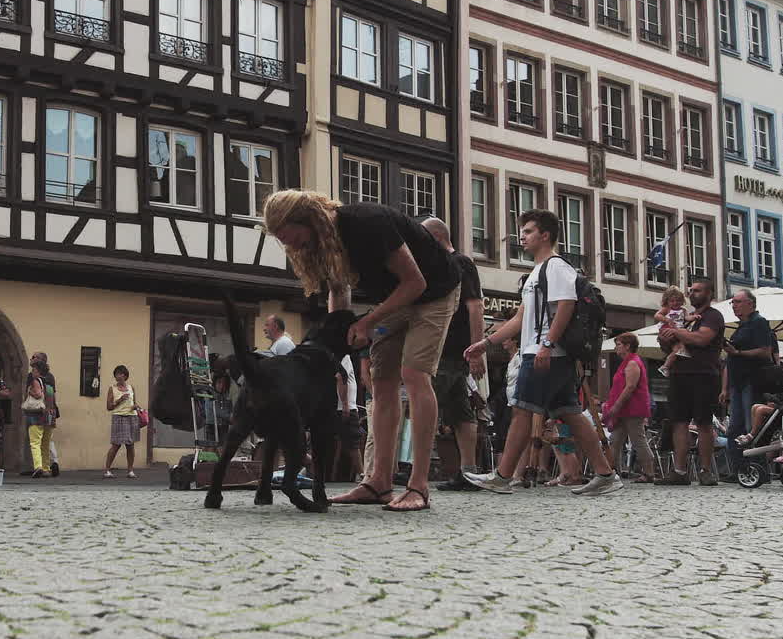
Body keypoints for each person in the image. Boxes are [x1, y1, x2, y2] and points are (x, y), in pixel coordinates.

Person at [262, 190, 460, 512]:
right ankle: (379, 483)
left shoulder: (367, 222)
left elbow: (415, 282)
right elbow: (339, 291)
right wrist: (334, 342)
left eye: (293, 237)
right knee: (381, 382)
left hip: (434, 290)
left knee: (414, 373)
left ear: (308, 220)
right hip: (397, 297)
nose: (292, 247)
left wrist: (368, 322)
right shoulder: (324, 245)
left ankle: (419, 487)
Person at [464, 209, 622, 496]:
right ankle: (605, 475)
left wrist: (547, 345)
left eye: (528, 231)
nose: (521, 237)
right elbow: (519, 318)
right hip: (545, 353)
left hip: (545, 353)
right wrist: (486, 344)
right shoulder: (536, 273)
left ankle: (502, 476)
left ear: (545, 235)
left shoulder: (556, 267)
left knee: (522, 411)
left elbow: (566, 305)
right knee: (571, 414)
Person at [422, 217, 486, 493]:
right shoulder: (445, 265)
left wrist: (476, 350)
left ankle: (416, 471)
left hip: (448, 350)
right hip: (451, 350)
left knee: (426, 405)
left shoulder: (459, 263)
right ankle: (468, 472)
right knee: (460, 411)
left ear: (435, 238)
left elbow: (476, 306)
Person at [654, 279, 724, 486]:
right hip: (679, 374)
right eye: (691, 290)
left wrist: (676, 332)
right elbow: (669, 345)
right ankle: (680, 470)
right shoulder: (681, 317)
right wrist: (664, 338)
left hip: (703, 374)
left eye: (698, 290)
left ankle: (705, 471)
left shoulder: (712, 316)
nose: (692, 293)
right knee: (679, 422)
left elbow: (701, 339)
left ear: (709, 294)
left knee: (703, 423)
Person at [720, 289, 774, 476]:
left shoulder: (759, 322)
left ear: (750, 303)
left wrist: (739, 353)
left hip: (752, 381)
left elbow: (765, 351)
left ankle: (758, 469)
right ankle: (738, 470)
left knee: (751, 426)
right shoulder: (741, 327)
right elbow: (730, 360)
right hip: (738, 382)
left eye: (737, 302)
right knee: (735, 428)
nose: (734, 305)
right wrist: (725, 387)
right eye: (733, 302)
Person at [601, 333, 656, 482]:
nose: (616, 348)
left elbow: (630, 387)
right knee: (615, 440)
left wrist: (615, 407)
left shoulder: (632, 363)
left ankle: (649, 473)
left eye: (618, 344)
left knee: (638, 440)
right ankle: (610, 472)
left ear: (627, 346)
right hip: (623, 410)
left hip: (632, 409)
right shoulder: (626, 363)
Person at [103, 364, 141, 478]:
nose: (118, 376)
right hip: (119, 417)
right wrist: (119, 400)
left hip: (132, 417)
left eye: (121, 374)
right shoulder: (112, 389)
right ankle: (107, 470)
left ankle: (130, 470)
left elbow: (134, 402)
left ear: (125, 376)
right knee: (116, 445)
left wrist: (136, 406)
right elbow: (109, 407)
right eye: (117, 374)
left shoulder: (131, 388)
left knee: (130, 445)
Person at [26, 357, 57, 477]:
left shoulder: (36, 381)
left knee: (35, 443)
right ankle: (46, 468)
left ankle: (38, 466)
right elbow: (52, 399)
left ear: (38, 371)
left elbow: (38, 395)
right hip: (49, 416)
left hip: (37, 415)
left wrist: (29, 392)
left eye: (34, 370)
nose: (32, 372)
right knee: (45, 443)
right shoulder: (49, 383)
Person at [655, 286, 692, 378]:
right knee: (685, 334)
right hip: (667, 328)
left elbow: (687, 318)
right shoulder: (667, 309)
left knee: (677, 350)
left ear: (682, 301)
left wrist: (693, 317)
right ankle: (683, 349)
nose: (675, 303)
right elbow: (657, 315)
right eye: (672, 301)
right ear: (667, 301)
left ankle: (665, 366)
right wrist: (667, 320)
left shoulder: (683, 310)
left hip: (677, 331)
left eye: (678, 300)